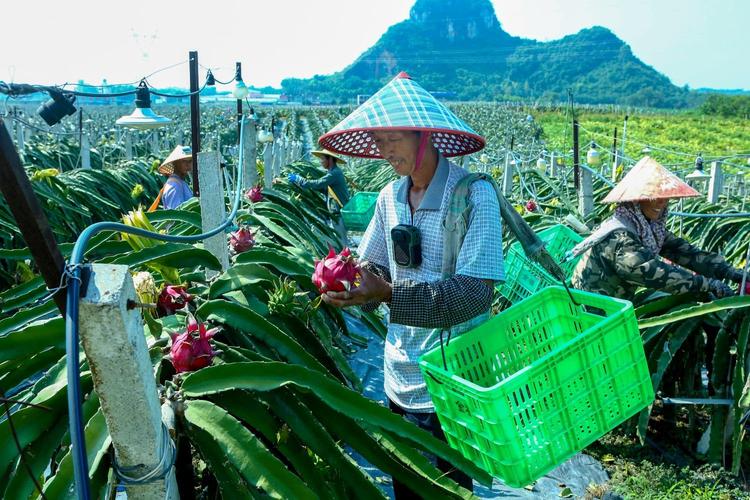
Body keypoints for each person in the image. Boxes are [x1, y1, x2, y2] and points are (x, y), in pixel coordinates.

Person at [318, 72, 504, 498]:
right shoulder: (389, 198)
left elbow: (475, 294)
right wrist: (351, 282)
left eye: (391, 140)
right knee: (405, 487)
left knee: (447, 488)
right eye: (377, 142)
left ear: (425, 137)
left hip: (452, 380)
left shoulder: (474, 196)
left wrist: (386, 295)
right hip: (397, 374)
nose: (383, 153)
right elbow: (375, 267)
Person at [570, 156, 744, 301]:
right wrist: (707, 284)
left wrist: (730, 272)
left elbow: (686, 253)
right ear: (636, 200)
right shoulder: (620, 236)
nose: (661, 203)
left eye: (665, 197)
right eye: (653, 197)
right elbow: (649, 271)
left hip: (610, 303)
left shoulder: (647, 229)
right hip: (588, 306)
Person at [288, 149, 351, 239]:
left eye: (322, 159)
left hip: (339, 213)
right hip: (336, 212)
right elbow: (324, 189)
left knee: (341, 240)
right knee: (338, 239)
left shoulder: (335, 173)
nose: (321, 162)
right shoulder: (332, 172)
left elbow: (318, 184)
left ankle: (345, 252)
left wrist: (299, 179)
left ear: (330, 160)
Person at [153, 145, 193, 210]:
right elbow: (175, 216)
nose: (188, 165)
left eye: (190, 161)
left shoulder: (180, 182)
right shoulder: (174, 186)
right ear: (176, 163)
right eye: (184, 161)